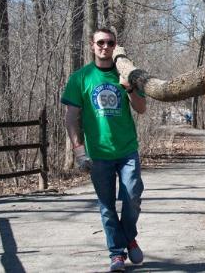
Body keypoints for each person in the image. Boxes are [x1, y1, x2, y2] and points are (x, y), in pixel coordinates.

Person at [61, 28, 147, 272]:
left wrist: (129, 87)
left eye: (110, 43)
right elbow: (71, 117)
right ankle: (117, 253)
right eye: (100, 42)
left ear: (115, 46)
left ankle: (128, 236)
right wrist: (78, 150)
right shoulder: (81, 78)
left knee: (133, 198)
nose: (105, 47)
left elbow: (142, 109)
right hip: (98, 154)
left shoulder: (127, 74)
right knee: (107, 206)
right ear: (92, 45)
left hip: (127, 149)